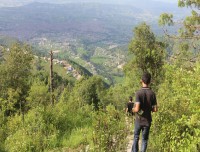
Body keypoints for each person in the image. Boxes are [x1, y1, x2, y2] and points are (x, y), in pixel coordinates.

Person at [131, 72, 158, 152]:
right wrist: (149, 108)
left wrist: (133, 110)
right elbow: (155, 109)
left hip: (139, 120)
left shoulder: (138, 93)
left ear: (141, 81)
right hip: (147, 121)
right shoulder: (152, 93)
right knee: (144, 140)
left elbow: (137, 109)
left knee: (136, 137)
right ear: (149, 81)